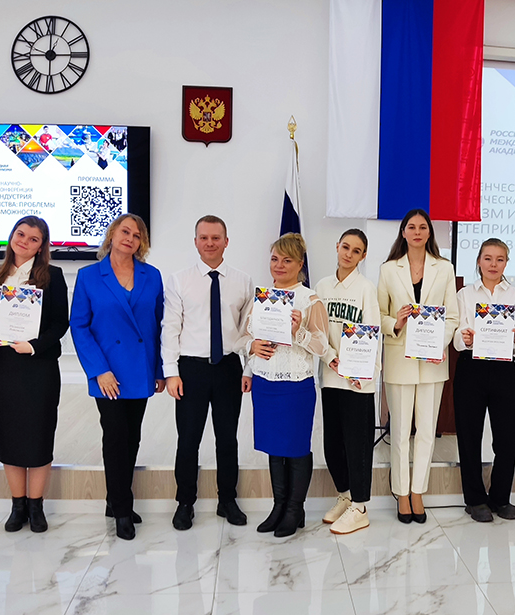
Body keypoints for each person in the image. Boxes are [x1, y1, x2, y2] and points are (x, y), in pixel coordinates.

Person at [70, 213, 165, 541]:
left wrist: (159, 370)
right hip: (107, 372)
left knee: (132, 437)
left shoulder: (152, 276)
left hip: (139, 369)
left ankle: (115, 498)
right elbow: (79, 326)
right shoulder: (88, 276)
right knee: (115, 436)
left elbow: (158, 326)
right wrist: (99, 370)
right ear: (112, 234)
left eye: (137, 235)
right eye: (125, 231)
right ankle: (123, 509)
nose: (130, 238)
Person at [162, 215, 253, 531]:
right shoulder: (179, 280)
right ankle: (185, 503)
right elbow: (170, 328)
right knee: (188, 440)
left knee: (227, 439)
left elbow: (248, 331)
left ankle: (227, 500)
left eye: (216, 238)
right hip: (191, 369)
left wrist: (248, 369)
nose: (210, 243)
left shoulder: (243, 281)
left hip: (228, 367)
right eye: (204, 237)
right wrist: (171, 372)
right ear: (195, 241)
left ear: (226, 242)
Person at [0, 216, 69, 533]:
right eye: (20, 234)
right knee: (9, 437)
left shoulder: (52, 275)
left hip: (38, 367)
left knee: (39, 435)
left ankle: (36, 506)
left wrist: (33, 346)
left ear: (41, 246)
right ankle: (17, 505)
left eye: (34, 239)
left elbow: (60, 323)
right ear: (11, 236)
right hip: (2, 370)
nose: (25, 242)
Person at [242, 233, 328, 538]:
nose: (279, 265)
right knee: (274, 448)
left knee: (296, 447)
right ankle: (278, 507)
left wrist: (298, 330)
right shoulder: (262, 298)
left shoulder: (310, 300)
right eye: (275, 259)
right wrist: (251, 353)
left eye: (287, 260)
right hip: (265, 383)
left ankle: (294, 509)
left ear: (300, 264)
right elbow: (246, 338)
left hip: (295, 384)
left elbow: (322, 346)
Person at [378, 210, 458, 524]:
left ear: (429, 233)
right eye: (411, 227)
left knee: (426, 431)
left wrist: (440, 343)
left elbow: (452, 316)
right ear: (403, 232)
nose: (417, 231)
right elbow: (379, 315)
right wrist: (395, 323)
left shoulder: (444, 268)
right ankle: (401, 491)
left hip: (433, 362)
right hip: (399, 359)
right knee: (399, 432)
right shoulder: (388, 269)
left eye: (423, 227)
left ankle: (417, 492)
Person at [452, 238, 515, 523]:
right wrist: (464, 337)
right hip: (471, 368)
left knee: (509, 436)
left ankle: (500, 498)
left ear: (506, 263)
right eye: (488, 258)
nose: (493, 264)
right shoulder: (464, 295)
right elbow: (456, 336)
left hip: (503, 369)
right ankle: (474, 500)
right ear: (479, 261)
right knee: (469, 436)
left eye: (499, 259)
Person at [315, 229, 380, 535]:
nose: (348, 254)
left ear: (363, 256)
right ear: (337, 247)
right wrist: (330, 357)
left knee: (358, 446)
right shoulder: (322, 286)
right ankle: (344, 495)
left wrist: (364, 374)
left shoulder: (366, 289)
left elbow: (372, 334)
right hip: (331, 376)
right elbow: (317, 331)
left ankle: (360, 506)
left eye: (356, 251)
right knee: (333, 445)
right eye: (345, 247)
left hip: (357, 382)